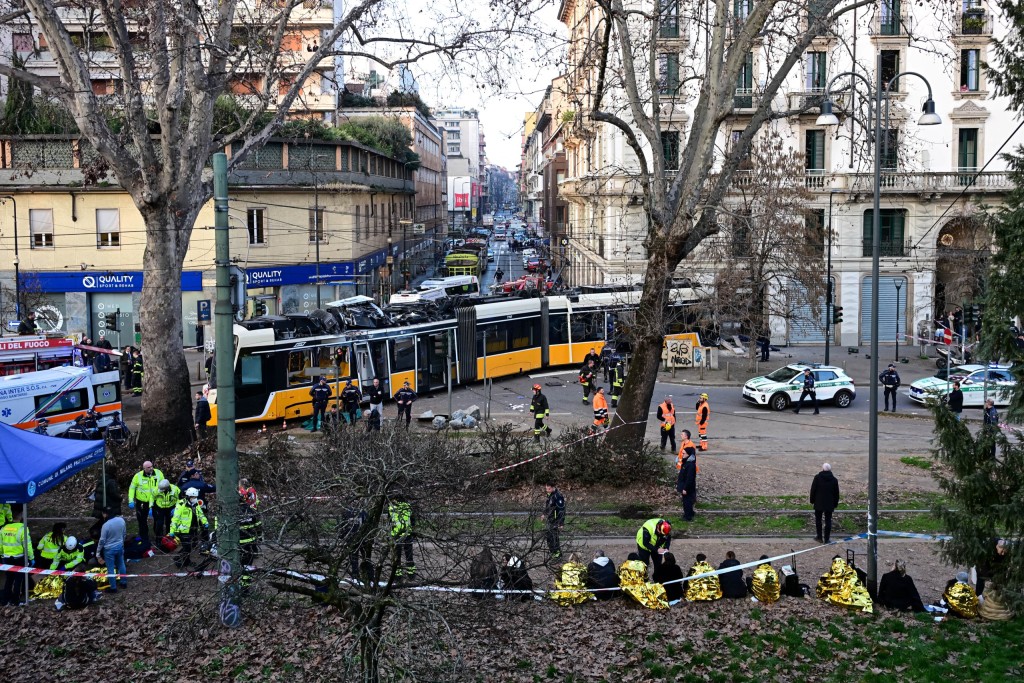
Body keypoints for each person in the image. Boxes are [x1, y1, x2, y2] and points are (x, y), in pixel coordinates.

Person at [168, 487, 209, 569]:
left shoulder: (196, 504)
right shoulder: (181, 505)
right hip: (184, 530)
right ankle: (179, 560)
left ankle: (185, 561)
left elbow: (201, 514)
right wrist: (171, 531)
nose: (195, 499)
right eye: (193, 497)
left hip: (193, 529)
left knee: (192, 546)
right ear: (188, 497)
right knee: (187, 547)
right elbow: (175, 519)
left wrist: (205, 522)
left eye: (195, 497)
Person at [0, 504, 32, 606]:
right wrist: (31, 557)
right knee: (19, 579)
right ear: (21, 515)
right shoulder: (23, 528)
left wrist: (2, 555)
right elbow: (28, 545)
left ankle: (5, 601)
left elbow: (0, 544)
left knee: (9, 579)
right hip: (19, 558)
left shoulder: (3, 528)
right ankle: (15, 601)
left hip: (6, 558)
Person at [128, 460, 163, 543]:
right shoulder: (138, 476)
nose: (151, 468)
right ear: (144, 468)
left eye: (151, 466)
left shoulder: (158, 473)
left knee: (158, 520)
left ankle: (158, 538)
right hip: (142, 502)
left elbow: (163, 485)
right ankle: (144, 539)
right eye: (148, 467)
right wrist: (131, 500)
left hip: (156, 501)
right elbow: (132, 488)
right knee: (142, 520)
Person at [97, 510, 128, 593]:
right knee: (121, 564)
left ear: (105, 514)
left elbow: (102, 540)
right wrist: (122, 543)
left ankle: (113, 588)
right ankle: (123, 582)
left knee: (110, 568)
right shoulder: (121, 520)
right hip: (119, 546)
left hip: (109, 550)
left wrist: (98, 552)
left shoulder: (106, 525)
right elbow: (124, 534)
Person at [810, 463, 840, 543]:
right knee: (828, 521)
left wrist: (812, 500)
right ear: (830, 470)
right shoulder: (834, 480)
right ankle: (827, 539)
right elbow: (836, 493)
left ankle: (819, 537)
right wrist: (835, 503)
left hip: (818, 502)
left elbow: (813, 490)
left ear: (822, 469)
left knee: (818, 520)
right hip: (829, 503)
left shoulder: (817, 478)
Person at [389, 497, 415, 576]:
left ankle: (397, 574)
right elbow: (413, 520)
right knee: (409, 555)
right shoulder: (408, 507)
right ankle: (411, 574)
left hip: (396, 535)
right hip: (407, 534)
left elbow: (389, 521)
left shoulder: (391, 507)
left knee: (397, 556)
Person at [676, 433, 698, 522]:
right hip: (686, 485)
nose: (682, 454)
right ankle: (690, 513)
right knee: (688, 500)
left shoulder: (690, 465)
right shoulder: (687, 462)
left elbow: (689, 478)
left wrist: (685, 488)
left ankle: (687, 516)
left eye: (684, 453)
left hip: (686, 487)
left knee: (687, 502)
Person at [544, 482, 565, 558]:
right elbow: (548, 506)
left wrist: (561, 523)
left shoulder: (558, 496)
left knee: (554, 538)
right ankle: (553, 552)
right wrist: (544, 514)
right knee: (549, 537)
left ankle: (558, 555)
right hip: (550, 520)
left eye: (549, 489)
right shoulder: (550, 495)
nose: (547, 490)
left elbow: (561, 510)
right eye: (546, 489)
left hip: (555, 521)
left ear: (553, 487)